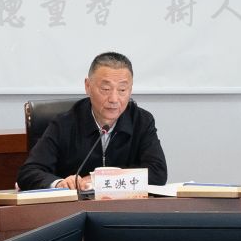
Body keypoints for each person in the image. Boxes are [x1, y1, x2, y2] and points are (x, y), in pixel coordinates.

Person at [17, 51, 168, 191]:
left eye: (122, 90)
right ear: (88, 86)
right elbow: (28, 173)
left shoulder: (141, 121)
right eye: (105, 89)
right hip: (75, 208)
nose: (114, 99)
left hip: (124, 207)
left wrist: (100, 179)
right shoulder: (64, 124)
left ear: (131, 89)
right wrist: (60, 183)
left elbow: (158, 173)